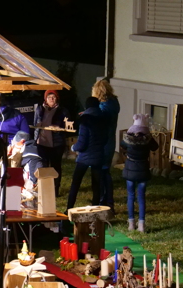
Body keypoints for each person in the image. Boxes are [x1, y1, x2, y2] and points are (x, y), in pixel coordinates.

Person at [66, 97, 107, 211]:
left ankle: (69, 208)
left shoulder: (85, 120)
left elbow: (82, 143)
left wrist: (74, 147)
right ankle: (95, 209)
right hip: (98, 156)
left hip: (85, 157)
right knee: (96, 185)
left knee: (76, 183)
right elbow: (105, 138)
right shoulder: (103, 118)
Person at [121, 114, 159, 233]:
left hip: (130, 170)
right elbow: (155, 147)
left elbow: (122, 145)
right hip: (142, 169)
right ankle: (141, 224)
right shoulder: (147, 140)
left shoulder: (128, 139)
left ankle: (131, 223)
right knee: (141, 198)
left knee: (130, 196)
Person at [34, 90, 70, 197]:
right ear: (45, 98)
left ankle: (55, 190)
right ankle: (44, 189)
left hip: (56, 144)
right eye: (49, 97)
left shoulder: (62, 111)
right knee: (43, 166)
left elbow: (68, 126)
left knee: (55, 167)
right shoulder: (40, 109)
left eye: (53, 97)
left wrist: (59, 128)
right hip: (42, 143)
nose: (51, 99)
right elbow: (36, 124)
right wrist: (35, 138)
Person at [92, 79, 120, 214]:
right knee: (106, 172)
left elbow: (99, 123)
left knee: (101, 172)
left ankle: (104, 201)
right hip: (110, 141)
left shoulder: (103, 108)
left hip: (102, 143)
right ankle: (108, 202)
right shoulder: (114, 103)